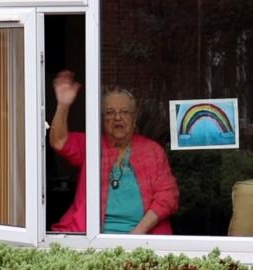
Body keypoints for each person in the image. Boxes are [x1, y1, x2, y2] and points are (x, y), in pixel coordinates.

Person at [50, 70, 179, 234]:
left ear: (134, 117)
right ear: (103, 118)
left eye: (124, 112)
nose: (118, 118)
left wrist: (136, 235)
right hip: (94, 240)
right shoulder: (92, 144)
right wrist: (63, 105)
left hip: (143, 238)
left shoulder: (152, 151)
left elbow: (168, 196)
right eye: (110, 112)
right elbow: (59, 141)